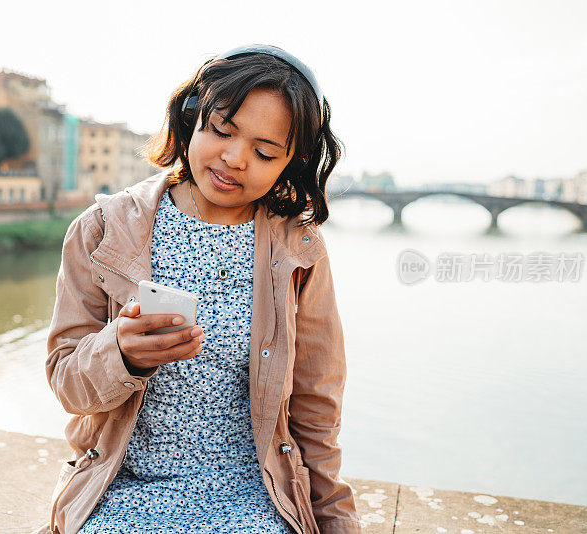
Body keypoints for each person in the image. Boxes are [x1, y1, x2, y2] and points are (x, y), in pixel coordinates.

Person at [41, 44, 362, 534]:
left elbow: (316, 408)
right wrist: (121, 354)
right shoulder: (103, 230)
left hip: (256, 497)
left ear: (290, 163)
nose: (234, 159)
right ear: (191, 119)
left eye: (264, 151)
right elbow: (67, 384)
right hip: (122, 489)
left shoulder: (300, 249)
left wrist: (337, 523)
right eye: (221, 131)